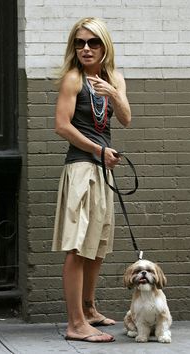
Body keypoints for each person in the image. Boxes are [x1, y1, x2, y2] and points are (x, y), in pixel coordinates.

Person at [52, 17, 131, 343]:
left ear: (104, 46)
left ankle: (89, 309)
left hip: (101, 169)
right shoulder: (73, 79)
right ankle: (75, 324)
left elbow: (126, 119)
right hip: (82, 168)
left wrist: (114, 93)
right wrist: (100, 150)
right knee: (78, 246)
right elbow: (62, 126)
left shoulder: (113, 78)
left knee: (96, 246)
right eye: (80, 43)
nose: (85, 48)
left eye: (93, 42)